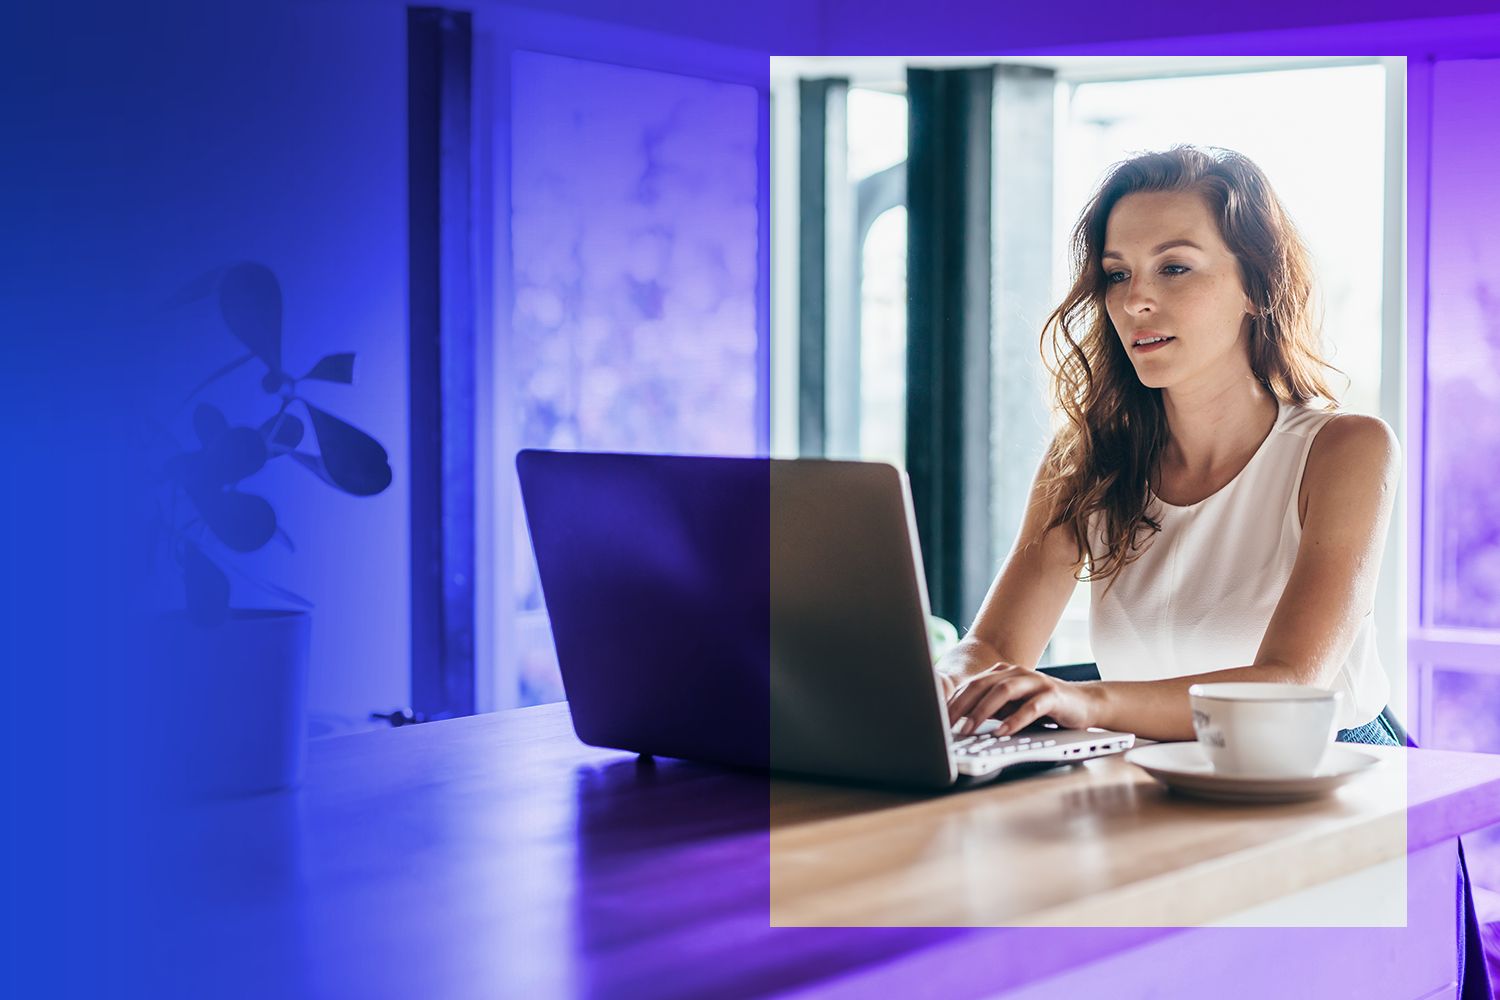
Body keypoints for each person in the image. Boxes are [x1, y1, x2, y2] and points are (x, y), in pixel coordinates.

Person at [937, 145, 1401, 746]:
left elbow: (1289, 685)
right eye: (1117, 273)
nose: (1134, 301)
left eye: (1174, 267)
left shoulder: (1346, 449)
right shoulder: (1084, 459)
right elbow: (993, 648)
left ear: (1256, 286)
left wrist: (1087, 701)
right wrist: (937, 684)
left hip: (1327, 773)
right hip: (1152, 768)